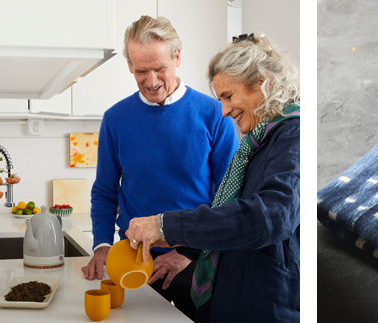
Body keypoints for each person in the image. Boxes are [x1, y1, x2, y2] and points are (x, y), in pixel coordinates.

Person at [126, 33, 300, 322]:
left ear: (262, 82)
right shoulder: (257, 141)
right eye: (220, 99)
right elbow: (229, 216)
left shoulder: (293, 136)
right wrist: (187, 251)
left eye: (229, 96)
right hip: (230, 298)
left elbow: (271, 217)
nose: (224, 110)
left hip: (265, 305)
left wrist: (165, 226)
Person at [81, 16, 239, 320]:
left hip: (196, 261)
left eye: (159, 69)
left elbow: (229, 196)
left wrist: (188, 253)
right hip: (131, 262)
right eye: (141, 71)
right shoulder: (115, 119)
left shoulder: (214, 114)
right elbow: (104, 190)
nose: (151, 81)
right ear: (129, 66)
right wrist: (101, 245)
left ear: (177, 57)